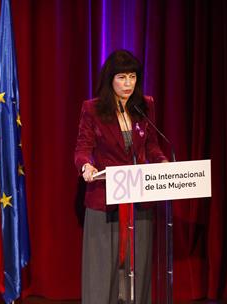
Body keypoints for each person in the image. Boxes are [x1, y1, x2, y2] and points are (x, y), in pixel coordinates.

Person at [74, 49, 168, 304]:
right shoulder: (92, 109)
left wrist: (162, 162)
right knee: (102, 271)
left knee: (138, 269)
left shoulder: (144, 105)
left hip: (139, 198)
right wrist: (86, 167)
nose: (128, 84)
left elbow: (152, 146)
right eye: (122, 78)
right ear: (110, 79)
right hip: (104, 200)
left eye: (133, 77)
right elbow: (82, 149)